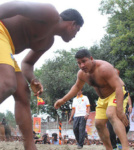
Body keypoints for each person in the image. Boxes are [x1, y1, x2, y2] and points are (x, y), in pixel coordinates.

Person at [0, 1, 84, 150]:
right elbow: (17, 6)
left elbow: (27, 64)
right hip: (1, 29)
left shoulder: (47, 42)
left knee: (23, 92)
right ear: (72, 23)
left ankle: (30, 147)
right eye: (76, 31)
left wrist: (33, 79)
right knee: (8, 83)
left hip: (8, 49)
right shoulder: (50, 13)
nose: (74, 36)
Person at [54, 49, 129, 150]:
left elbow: (118, 87)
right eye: (79, 63)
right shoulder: (82, 74)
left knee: (111, 114)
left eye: (84, 61)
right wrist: (63, 100)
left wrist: (120, 110)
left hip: (116, 93)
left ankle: (125, 148)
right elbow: (77, 87)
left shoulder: (104, 68)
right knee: (98, 123)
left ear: (91, 59)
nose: (82, 66)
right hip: (102, 99)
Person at [107, 69, 133, 150]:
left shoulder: (122, 84)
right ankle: (113, 146)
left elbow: (127, 95)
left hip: (122, 109)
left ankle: (119, 141)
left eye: (116, 73)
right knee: (110, 129)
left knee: (127, 126)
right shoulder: (108, 84)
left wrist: (130, 105)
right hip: (111, 109)